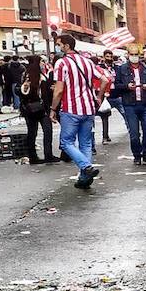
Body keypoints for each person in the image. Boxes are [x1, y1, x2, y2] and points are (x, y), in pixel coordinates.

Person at [49, 34, 109, 189]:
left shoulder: (62, 63)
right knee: (86, 143)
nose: (58, 47)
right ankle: (84, 178)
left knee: (66, 142)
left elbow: (59, 90)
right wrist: (99, 97)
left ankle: (86, 167)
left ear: (66, 46)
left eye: (59, 44)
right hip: (88, 108)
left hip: (70, 108)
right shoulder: (88, 62)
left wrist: (52, 108)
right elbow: (105, 79)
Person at [113, 52, 146, 165]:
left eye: (136, 54)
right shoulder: (122, 69)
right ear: (128, 55)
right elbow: (116, 85)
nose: (134, 56)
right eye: (132, 54)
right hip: (130, 104)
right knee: (134, 133)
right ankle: (137, 155)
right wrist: (126, 86)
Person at [19, 55, 56, 165]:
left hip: (28, 109)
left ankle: (33, 156)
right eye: (41, 61)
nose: (43, 64)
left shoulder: (25, 75)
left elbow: (22, 92)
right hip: (41, 108)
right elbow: (43, 94)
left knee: (32, 132)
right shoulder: (38, 76)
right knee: (47, 131)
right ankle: (48, 155)